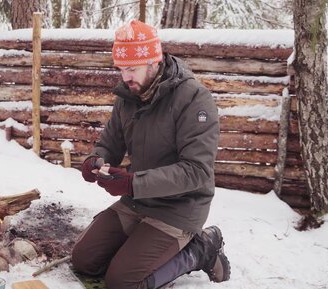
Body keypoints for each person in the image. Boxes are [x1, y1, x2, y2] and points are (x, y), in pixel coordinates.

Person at [71, 19, 231, 289]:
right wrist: (95, 161)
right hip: (137, 202)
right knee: (84, 261)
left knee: (123, 283)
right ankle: (138, 247)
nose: (126, 78)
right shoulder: (128, 97)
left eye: (132, 69)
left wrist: (134, 182)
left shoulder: (193, 99)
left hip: (179, 208)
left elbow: (198, 171)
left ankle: (200, 249)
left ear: (154, 61)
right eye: (121, 69)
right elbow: (110, 142)